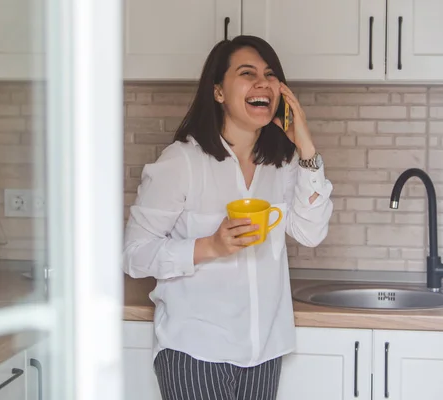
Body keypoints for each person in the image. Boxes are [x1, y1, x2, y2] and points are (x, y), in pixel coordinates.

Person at [123, 35, 334, 400]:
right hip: (195, 351)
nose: (262, 83)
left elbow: (310, 232)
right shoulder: (182, 162)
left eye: (269, 75)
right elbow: (134, 255)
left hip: (263, 351)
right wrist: (210, 246)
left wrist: (306, 148)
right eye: (247, 73)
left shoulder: (283, 164)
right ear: (218, 92)